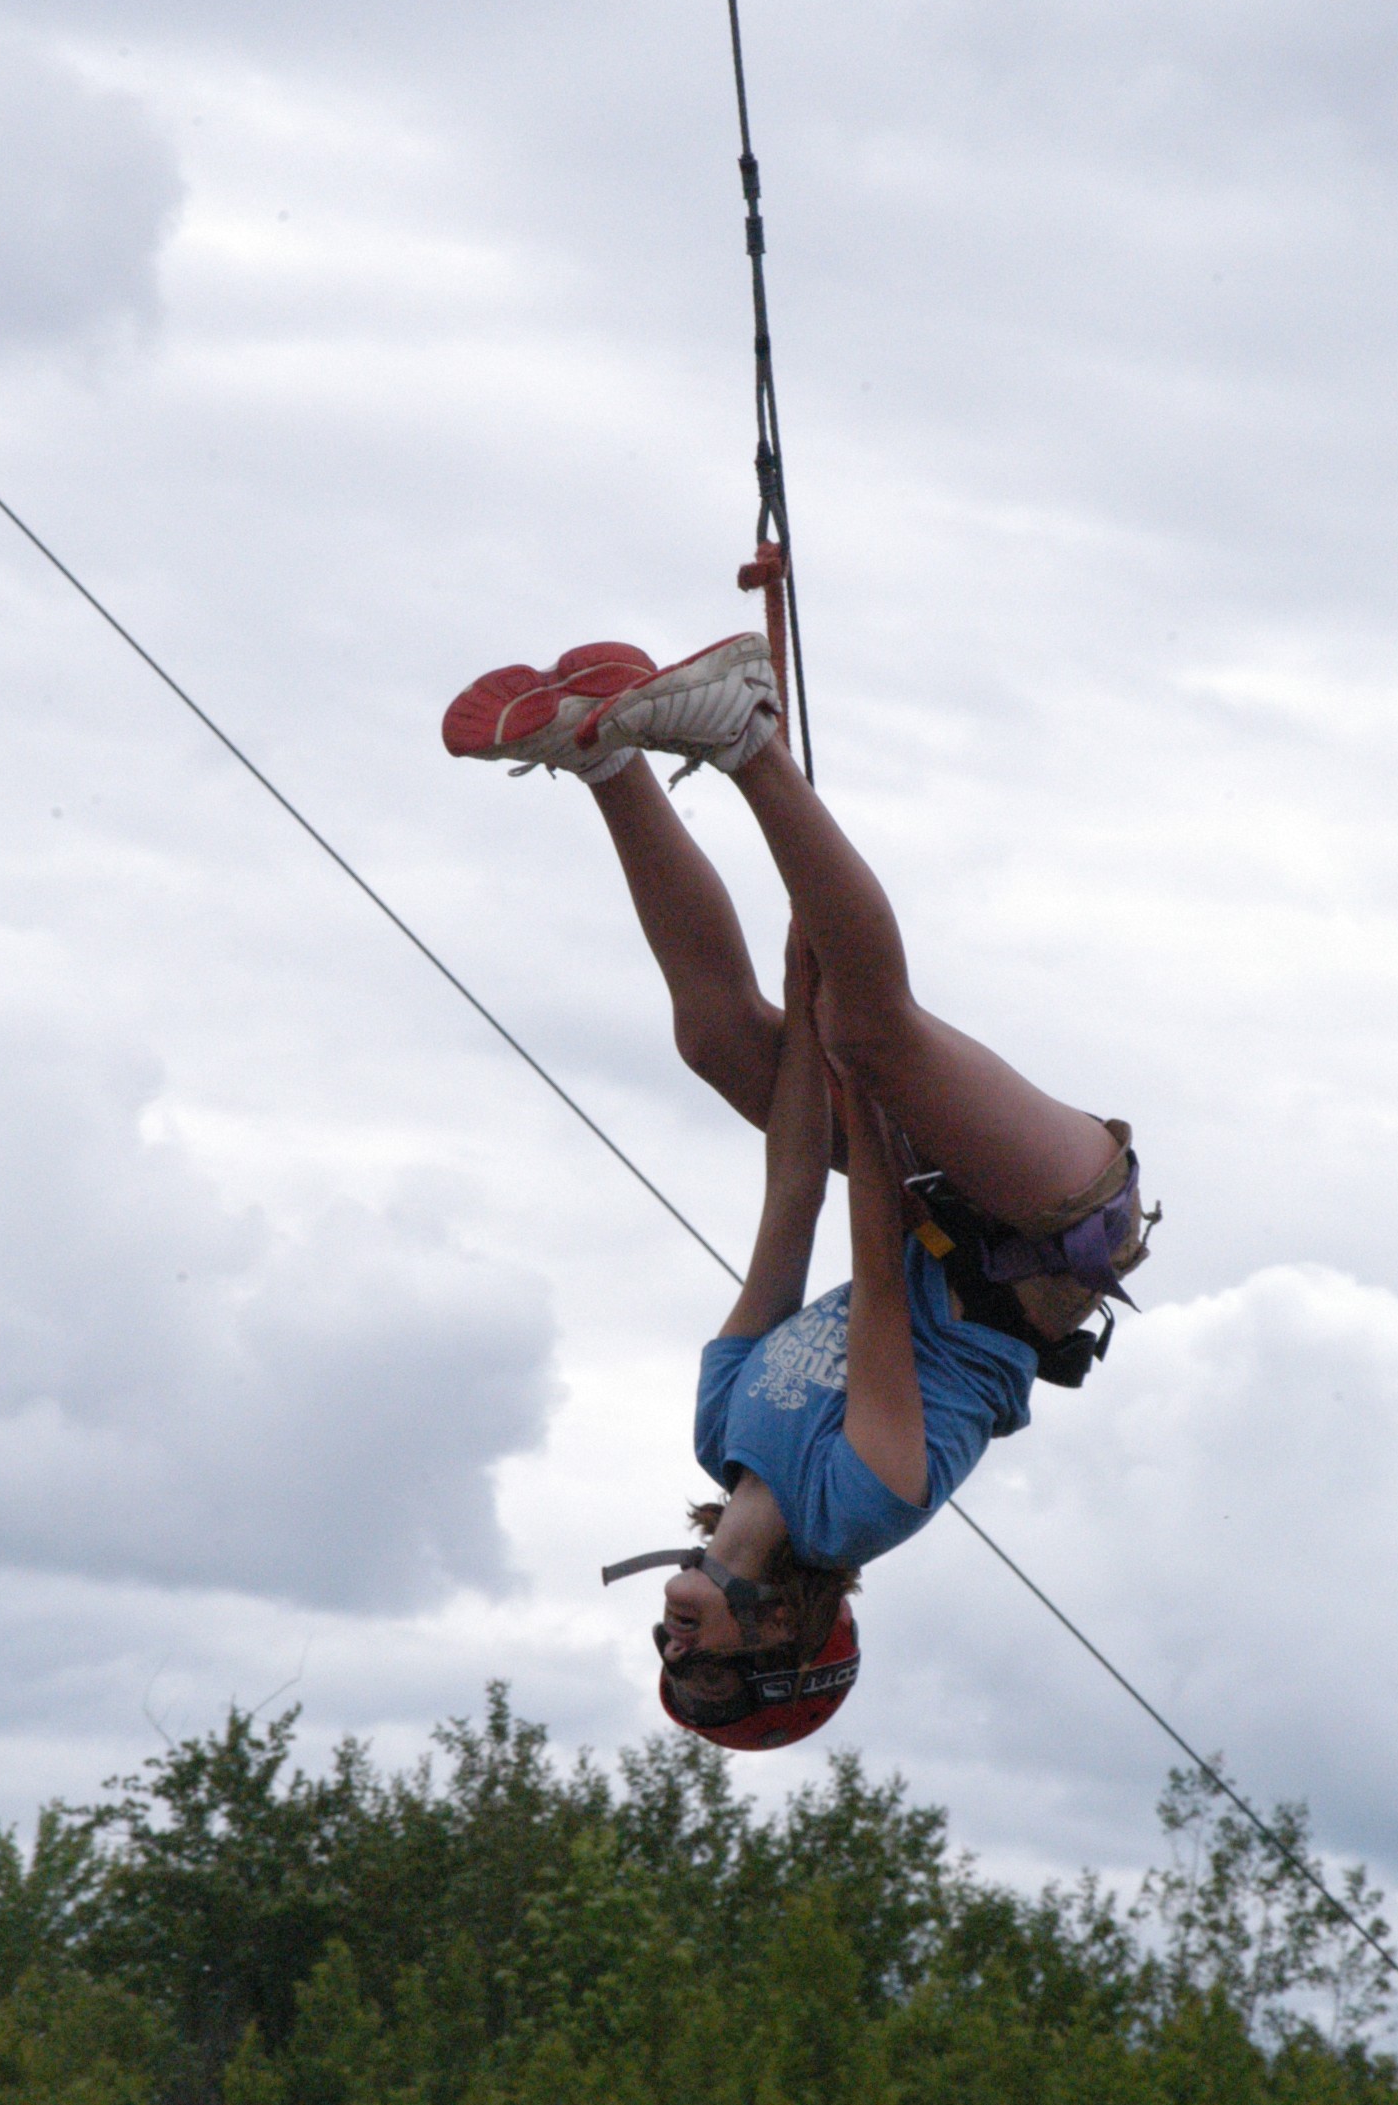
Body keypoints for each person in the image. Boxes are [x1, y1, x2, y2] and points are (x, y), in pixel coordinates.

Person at [443, 628, 1153, 1750]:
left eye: (663, 1658)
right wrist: (842, 1060)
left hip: (926, 1202)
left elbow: (789, 1201)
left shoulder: (720, 1431)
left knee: (719, 1041)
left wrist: (792, 994)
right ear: (783, 1636)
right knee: (868, 1031)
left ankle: (604, 760)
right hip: (1054, 1224)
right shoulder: (858, 1510)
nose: (673, 1644)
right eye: (705, 1670)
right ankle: (747, 737)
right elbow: (876, 1281)